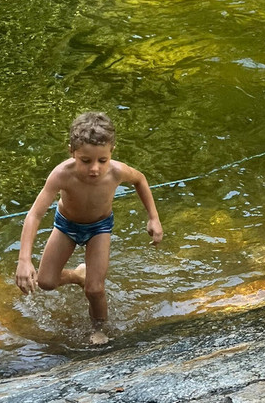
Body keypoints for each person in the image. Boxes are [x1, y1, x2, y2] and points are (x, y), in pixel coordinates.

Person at [16, 112, 163, 345]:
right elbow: (34, 215)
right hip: (66, 225)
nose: (94, 168)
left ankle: (99, 328)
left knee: (95, 289)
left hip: (99, 228)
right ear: (72, 152)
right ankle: (77, 275)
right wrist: (24, 259)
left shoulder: (116, 171)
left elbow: (140, 180)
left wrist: (153, 218)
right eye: (86, 161)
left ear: (112, 151)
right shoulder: (61, 175)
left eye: (102, 160)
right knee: (45, 282)